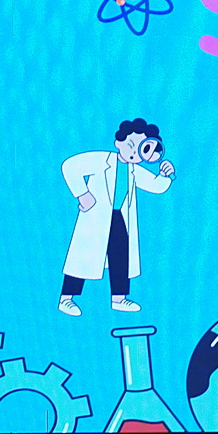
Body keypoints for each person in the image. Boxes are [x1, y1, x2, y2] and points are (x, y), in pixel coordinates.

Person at [57, 119, 176, 316]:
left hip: (119, 217)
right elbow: (70, 166)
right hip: (96, 217)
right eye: (131, 145)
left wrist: (165, 175)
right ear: (118, 143)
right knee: (83, 257)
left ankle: (119, 298)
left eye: (143, 149)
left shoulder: (133, 170)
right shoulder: (100, 160)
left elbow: (155, 185)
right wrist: (82, 194)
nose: (135, 152)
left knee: (121, 256)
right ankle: (66, 299)